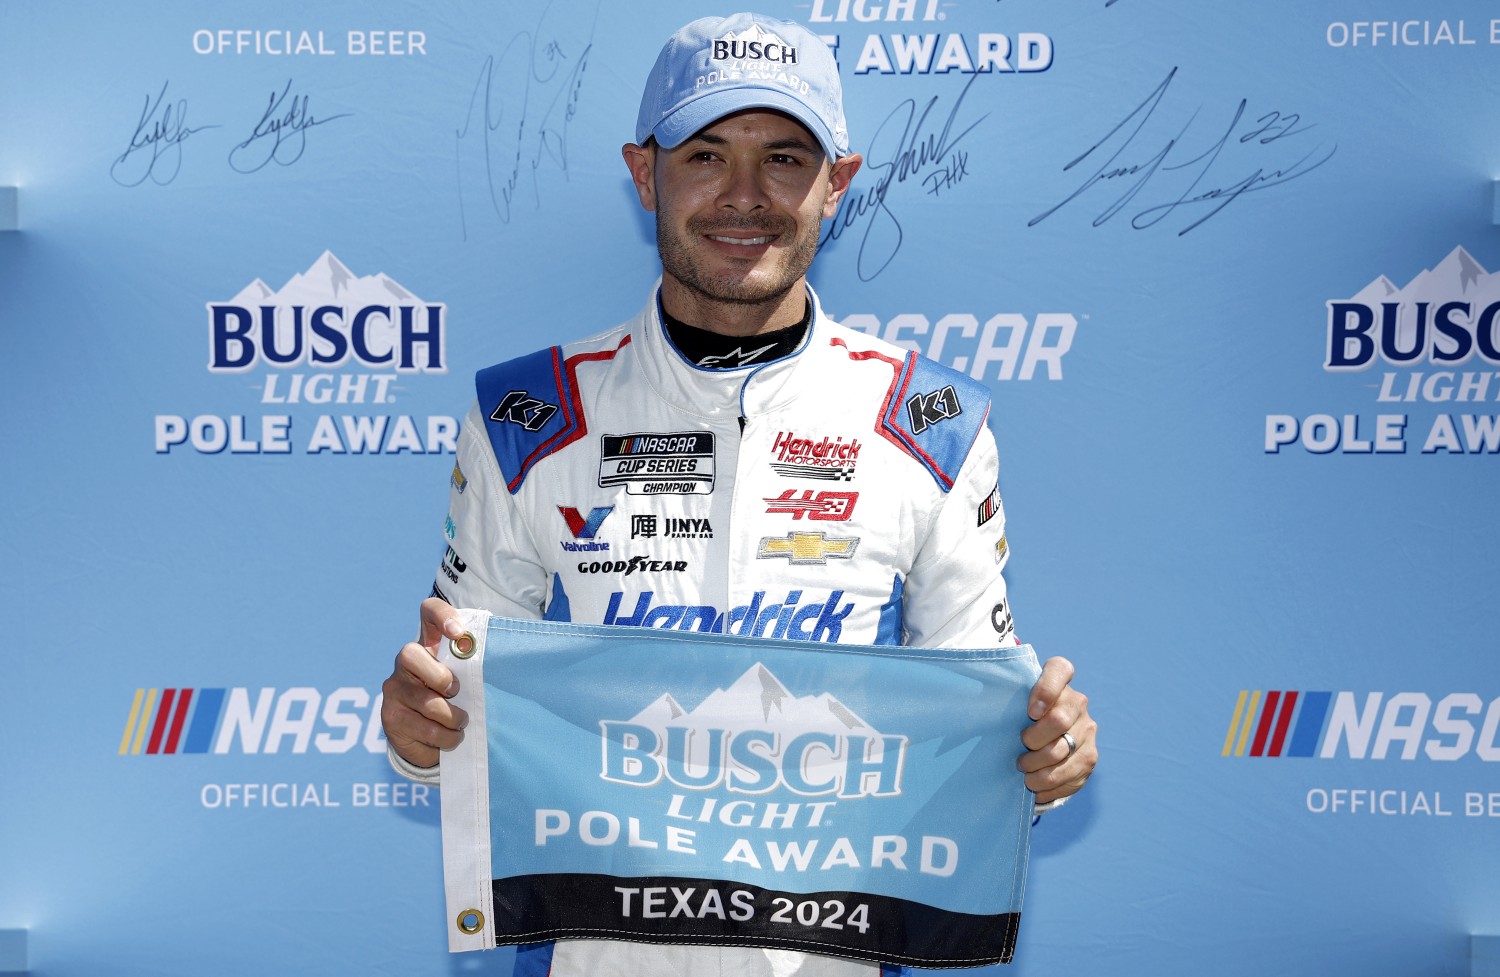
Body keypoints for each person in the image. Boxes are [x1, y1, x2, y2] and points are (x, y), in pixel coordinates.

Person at [381, 10, 1097, 975]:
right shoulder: (530, 414)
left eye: (787, 160)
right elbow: (460, 723)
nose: (746, 197)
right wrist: (420, 733)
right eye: (708, 155)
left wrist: (1043, 761)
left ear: (837, 183)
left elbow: (980, 720)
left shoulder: (930, 423)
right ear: (645, 174)